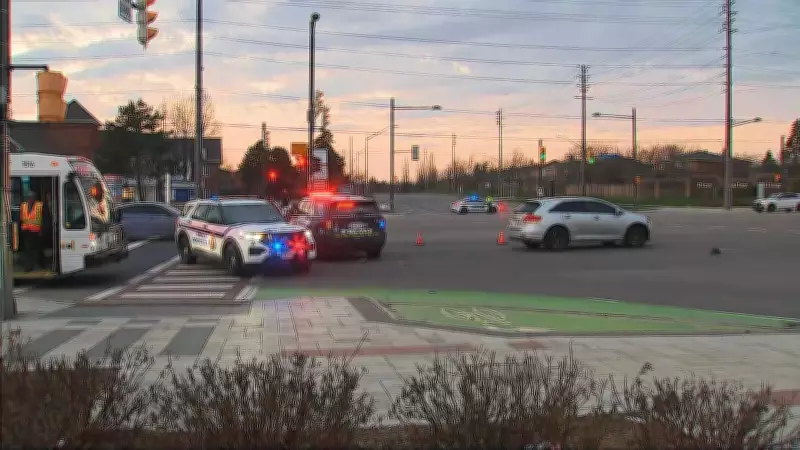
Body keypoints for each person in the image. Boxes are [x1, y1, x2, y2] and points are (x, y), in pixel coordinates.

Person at [20, 190, 44, 271]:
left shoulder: (39, 206)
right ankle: (29, 266)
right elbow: (22, 218)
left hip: (36, 231)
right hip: (26, 231)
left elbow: (42, 219)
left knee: (38, 248)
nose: (30, 199)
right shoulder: (23, 206)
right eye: (29, 197)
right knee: (28, 249)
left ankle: (41, 263)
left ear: (35, 198)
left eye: (32, 197)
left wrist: (41, 230)